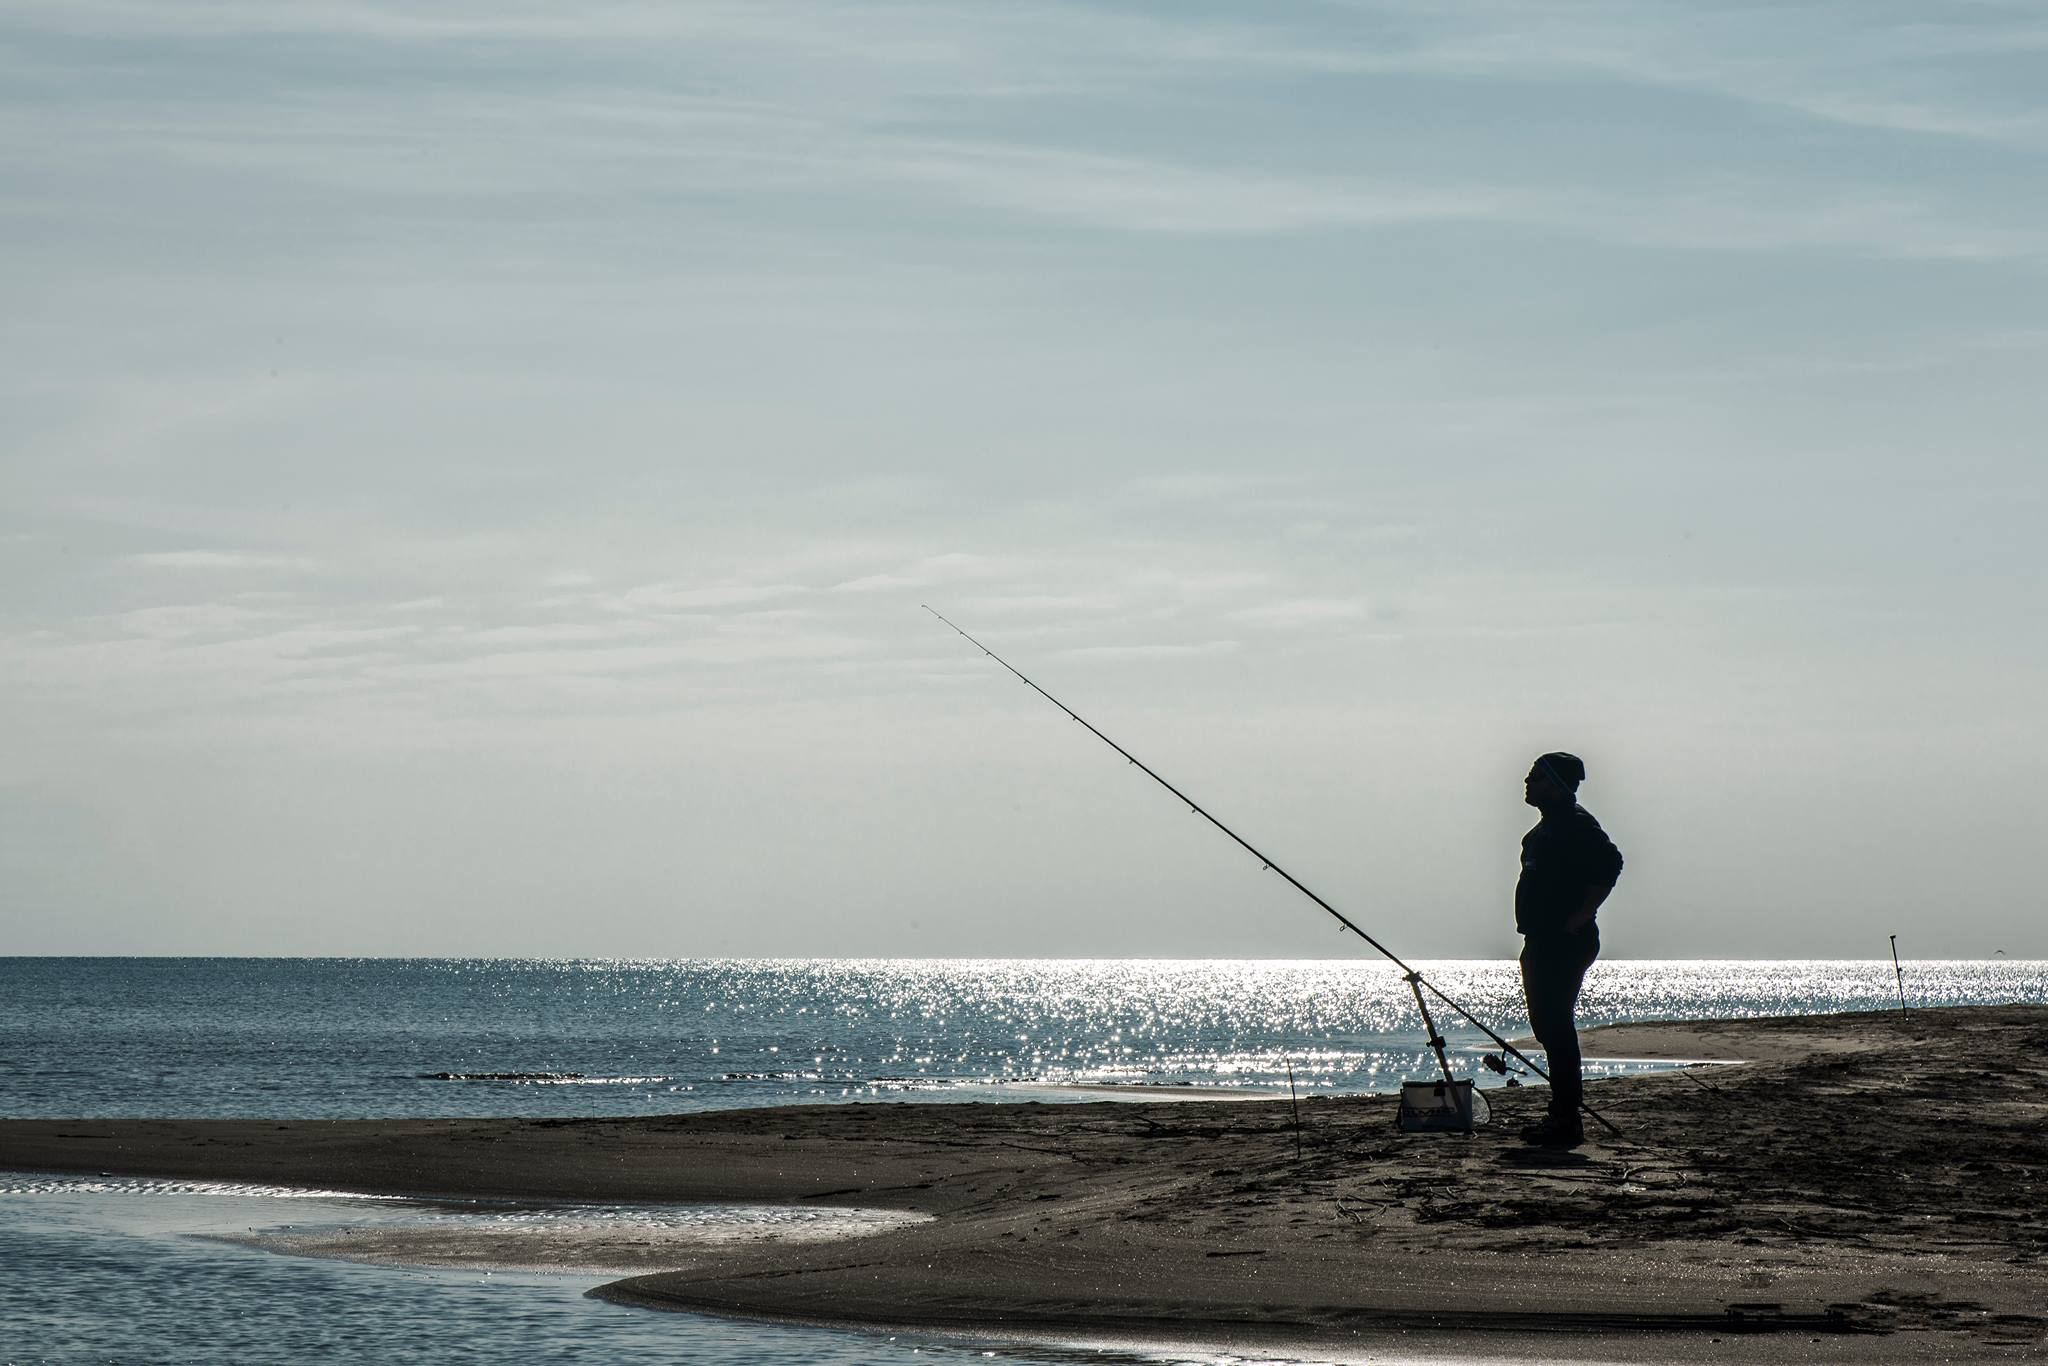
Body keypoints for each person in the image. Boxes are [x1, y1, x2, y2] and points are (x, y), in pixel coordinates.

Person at [1515, 751, 1622, 1148]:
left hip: (1564, 940)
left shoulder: (1576, 825)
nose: (1528, 784)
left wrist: (1581, 913)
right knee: (1547, 1025)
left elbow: (1611, 864)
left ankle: (1565, 1117)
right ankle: (1563, 1111)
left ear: (1557, 785)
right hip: (1540, 938)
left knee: (1555, 1025)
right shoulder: (1542, 831)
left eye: (1536, 778)